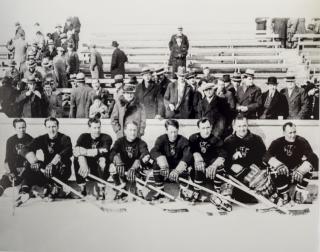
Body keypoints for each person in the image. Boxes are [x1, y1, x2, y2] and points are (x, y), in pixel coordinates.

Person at [18, 117, 72, 204]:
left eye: (54, 126)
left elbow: (67, 152)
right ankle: (25, 190)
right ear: (45, 127)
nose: (51, 129)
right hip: (47, 170)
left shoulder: (65, 138)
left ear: (58, 127)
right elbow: (25, 149)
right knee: (31, 163)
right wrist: (33, 161)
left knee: (61, 163)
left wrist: (53, 163)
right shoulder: (42, 138)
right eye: (49, 127)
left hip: (61, 170)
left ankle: (54, 188)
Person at [264, 122, 318, 205]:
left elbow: (313, 157)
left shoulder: (301, 141)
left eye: (294, 132)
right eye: (290, 133)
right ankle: (284, 194)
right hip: (282, 174)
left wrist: (302, 169)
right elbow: (266, 156)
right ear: (284, 133)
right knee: (272, 167)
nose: (293, 135)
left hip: (296, 174)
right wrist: (278, 164)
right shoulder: (277, 142)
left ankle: (298, 193)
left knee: (309, 166)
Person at [224, 115, 270, 203]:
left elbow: (263, 157)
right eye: (239, 126)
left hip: (252, 175)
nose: (242, 129)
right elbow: (225, 161)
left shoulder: (256, 139)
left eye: (244, 125)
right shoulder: (228, 141)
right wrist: (232, 160)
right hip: (236, 176)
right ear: (234, 126)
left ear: (247, 125)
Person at [189, 118, 231, 210]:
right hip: (198, 172)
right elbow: (192, 149)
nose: (206, 130)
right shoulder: (193, 138)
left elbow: (223, 155)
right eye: (203, 128)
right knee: (198, 163)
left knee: (219, 164)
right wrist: (197, 155)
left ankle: (218, 191)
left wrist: (214, 165)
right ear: (199, 128)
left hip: (212, 172)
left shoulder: (216, 140)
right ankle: (196, 192)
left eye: (208, 127)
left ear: (211, 127)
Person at [150, 119, 195, 201]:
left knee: (187, 164)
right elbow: (154, 151)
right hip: (166, 168)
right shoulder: (161, 139)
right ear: (166, 131)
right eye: (171, 132)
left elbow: (188, 155)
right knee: (155, 163)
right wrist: (163, 164)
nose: (173, 134)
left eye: (175, 131)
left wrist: (177, 170)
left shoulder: (183, 140)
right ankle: (160, 190)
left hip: (178, 167)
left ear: (178, 130)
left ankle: (183, 190)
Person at [109, 121, 151, 199]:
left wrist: (134, 167)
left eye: (134, 130)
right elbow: (112, 152)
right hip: (123, 169)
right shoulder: (119, 141)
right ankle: (121, 188)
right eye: (130, 130)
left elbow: (145, 154)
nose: (133, 132)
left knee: (146, 166)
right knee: (112, 166)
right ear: (125, 131)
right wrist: (117, 161)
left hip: (136, 171)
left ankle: (139, 190)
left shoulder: (141, 143)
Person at [73, 117, 112, 199]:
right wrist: (83, 162)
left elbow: (105, 150)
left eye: (99, 127)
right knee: (77, 159)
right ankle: (82, 188)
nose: (97, 130)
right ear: (89, 128)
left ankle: (101, 190)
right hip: (87, 169)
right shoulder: (83, 137)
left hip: (100, 169)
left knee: (103, 159)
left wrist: (85, 152)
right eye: (94, 128)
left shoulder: (106, 137)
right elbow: (76, 151)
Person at [0, 119, 33, 197]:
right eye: (19, 128)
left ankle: (23, 192)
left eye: (23, 127)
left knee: (28, 179)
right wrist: (11, 172)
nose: (22, 130)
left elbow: (31, 159)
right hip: (14, 170)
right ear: (15, 128)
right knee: (4, 180)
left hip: (26, 169)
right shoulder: (10, 140)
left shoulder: (31, 140)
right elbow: (7, 159)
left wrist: (24, 171)